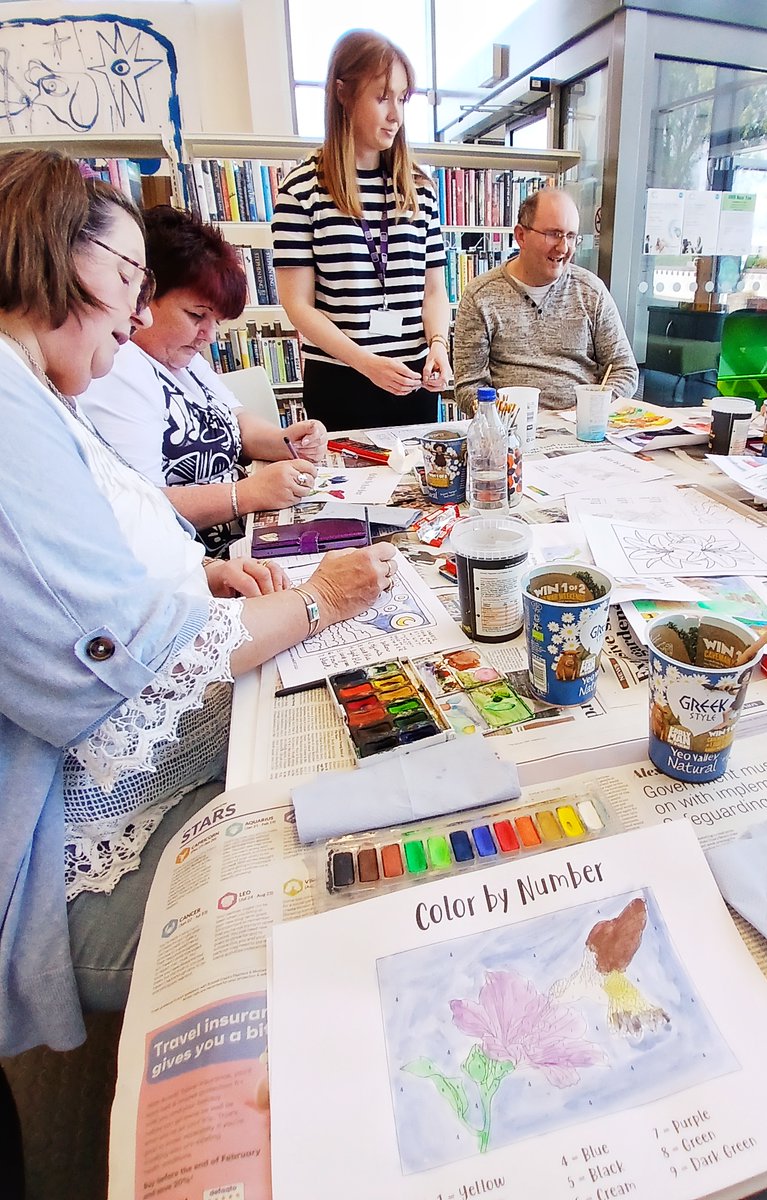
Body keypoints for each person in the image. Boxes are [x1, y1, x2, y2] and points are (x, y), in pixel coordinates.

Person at [0, 149, 397, 1056]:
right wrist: (320, 601)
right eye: (131, 280)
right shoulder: (13, 400)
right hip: (67, 842)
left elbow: (85, 578)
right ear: (54, 251)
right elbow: (116, 662)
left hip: (107, 761)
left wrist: (192, 576)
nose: (139, 315)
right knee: (343, 853)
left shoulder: (39, 388)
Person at [81, 205, 328, 554]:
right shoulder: (119, 367)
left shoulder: (181, 358)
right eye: (197, 315)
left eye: (217, 322)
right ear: (144, 296)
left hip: (244, 535)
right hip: (204, 560)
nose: (209, 336)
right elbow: (140, 507)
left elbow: (235, 419)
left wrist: (287, 441)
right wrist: (245, 494)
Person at [271, 29, 451, 431]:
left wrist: (438, 342)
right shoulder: (301, 189)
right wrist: (365, 363)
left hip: (412, 379)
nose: (396, 115)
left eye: (402, 99)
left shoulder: (420, 190)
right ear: (342, 93)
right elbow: (298, 304)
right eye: (382, 96)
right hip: (341, 379)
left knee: (419, 491)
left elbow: (434, 289)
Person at [454, 188, 638, 412]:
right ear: (521, 236)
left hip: (583, 429)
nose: (563, 248)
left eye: (571, 236)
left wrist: (593, 408)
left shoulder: (591, 291)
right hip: (512, 431)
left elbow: (624, 370)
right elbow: (468, 386)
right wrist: (502, 416)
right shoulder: (480, 295)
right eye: (553, 234)